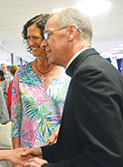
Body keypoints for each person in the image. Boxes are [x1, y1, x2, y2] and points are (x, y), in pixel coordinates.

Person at [23, 8, 123, 167]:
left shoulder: (91, 75)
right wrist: (45, 152)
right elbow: (81, 142)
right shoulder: (92, 69)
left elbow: (105, 158)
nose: (43, 43)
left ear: (71, 32)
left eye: (48, 35)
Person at [11, 13, 70, 151]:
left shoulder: (68, 73)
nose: (31, 43)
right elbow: (16, 117)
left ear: (48, 38)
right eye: (28, 38)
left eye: (35, 37)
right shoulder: (22, 73)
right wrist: (16, 154)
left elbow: (77, 115)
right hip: (28, 150)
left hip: (60, 148)